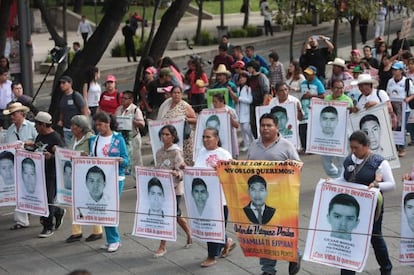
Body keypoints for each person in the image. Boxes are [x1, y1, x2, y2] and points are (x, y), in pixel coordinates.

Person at [247, 113, 301, 275]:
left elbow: (298, 167)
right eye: (262, 125)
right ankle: (268, 270)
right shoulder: (253, 146)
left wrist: (289, 166)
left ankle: (294, 255)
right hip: (259, 199)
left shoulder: (286, 146)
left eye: (269, 125)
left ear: (277, 127)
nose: (265, 128)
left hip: (282, 198)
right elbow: (245, 170)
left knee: (283, 232)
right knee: (263, 235)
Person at [338, 130, 394, 275]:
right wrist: (330, 183)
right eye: (351, 147)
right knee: (350, 239)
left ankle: (386, 269)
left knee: (375, 238)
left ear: (366, 146)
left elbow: (391, 184)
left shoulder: (379, 162)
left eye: (356, 147)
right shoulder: (349, 160)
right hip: (352, 208)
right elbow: (343, 179)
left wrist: (377, 186)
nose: (353, 151)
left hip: (372, 208)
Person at [194, 127, 235, 267]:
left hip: (221, 198)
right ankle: (226, 242)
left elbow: (231, 174)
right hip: (205, 198)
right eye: (204, 137)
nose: (205, 140)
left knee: (216, 226)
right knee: (210, 227)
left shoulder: (224, 154)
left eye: (208, 137)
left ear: (216, 138)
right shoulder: (201, 152)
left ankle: (212, 256)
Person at [89, 112, 128, 252]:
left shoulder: (118, 139)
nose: (98, 127)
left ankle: (114, 239)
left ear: (107, 123)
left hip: (116, 178)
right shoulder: (94, 140)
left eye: (100, 124)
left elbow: (126, 159)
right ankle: (111, 238)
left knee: (108, 208)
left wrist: (121, 161)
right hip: (100, 179)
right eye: (96, 125)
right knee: (103, 209)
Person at [153, 125, 192, 257]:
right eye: (162, 134)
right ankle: (189, 233)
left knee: (167, 216)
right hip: (161, 190)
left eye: (167, 134)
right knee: (176, 215)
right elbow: (157, 168)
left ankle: (162, 246)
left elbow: (181, 169)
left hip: (174, 189)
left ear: (173, 136)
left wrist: (177, 174)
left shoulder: (176, 152)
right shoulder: (158, 152)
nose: (164, 137)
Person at [65, 115, 103, 243]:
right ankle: (76, 231)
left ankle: (97, 231)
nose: (71, 128)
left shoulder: (91, 139)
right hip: (74, 175)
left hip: (86, 175)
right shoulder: (73, 139)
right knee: (72, 204)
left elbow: (96, 156)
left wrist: (86, 156)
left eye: (74, 126)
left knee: (90, 203)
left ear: (81, 128)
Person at [3, 102, 37, 230]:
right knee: (17, 191)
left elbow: (40, 143)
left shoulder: (32, 127)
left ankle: (53, 212)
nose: (12, 117)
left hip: (31, 164)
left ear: (22, 114)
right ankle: (21, 220)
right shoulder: (10, 131)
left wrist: (29, 144)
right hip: (16, 165)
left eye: (14, 114)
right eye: (11, 114)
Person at [33, 111, 66, 238]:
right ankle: (58, 211)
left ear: (43, 125)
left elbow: (62, 155)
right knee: (43, 199)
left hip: (52, 174)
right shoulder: (39, 136)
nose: (35, 127)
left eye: (37, 124)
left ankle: (48, 226)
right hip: (40, 172)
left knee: (47, 199)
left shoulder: (55, 138)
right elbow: (37, 148)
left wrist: (51, 157)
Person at [321, 80, 353, 178]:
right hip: (328, 134)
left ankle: (341, 179)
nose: (339, 90)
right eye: (336, 88)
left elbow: (352, 114)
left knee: (342, 159)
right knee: (325, 158)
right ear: (331, 89)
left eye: (341, 88)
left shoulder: (347, 100)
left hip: (342, 133)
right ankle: (335, 175)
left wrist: (350, 110)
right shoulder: (327, 98)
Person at [157, 86, 197, 166]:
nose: (176, 95)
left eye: (178, 93)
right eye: (174, 93)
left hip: (184, 140)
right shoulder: (166, 105)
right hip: (169, 141)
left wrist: (185, 120)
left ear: (181, 94)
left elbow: (195, 120)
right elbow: (160, 120)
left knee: (185, 163)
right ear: (171, 94)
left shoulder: (185, 106)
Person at [386, 61, 414, 157]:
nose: (394, 71)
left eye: (396, 70)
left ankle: (401, 148)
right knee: (393, 127)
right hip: (392, 108)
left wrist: (408, 99)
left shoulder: (407, 81)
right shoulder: (390, 81)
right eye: (393, 69)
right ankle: (394, 148)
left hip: (403, 109)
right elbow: (387, 94)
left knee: (401, 128)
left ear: (401, 71)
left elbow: (412, 94)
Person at [115, 90, 145, 174]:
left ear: (131, 100)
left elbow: (142, 124)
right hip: (121, 138)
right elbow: (114, 121)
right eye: (122, 98)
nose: (123, 100)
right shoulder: (118, 109)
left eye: (125, 98)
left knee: (136, 160)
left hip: (133, 138)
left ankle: (139, 180)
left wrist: (133, 122)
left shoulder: (135, 110)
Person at [299, 66, 325, 153]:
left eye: (309, 74)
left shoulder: (318, 83)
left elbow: (323, 96)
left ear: (314, 74)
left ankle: (312, 147)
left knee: (311, 130)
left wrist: (311, 96)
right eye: (306, 74)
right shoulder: (303, 83)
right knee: (302, 129)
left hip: (314, 110)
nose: (307, 76)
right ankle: (304, 146)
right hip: (304, 109)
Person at [57, 75, 89, 145]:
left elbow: (84, 109)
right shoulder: (62, 97)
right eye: (60, 83)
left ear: (70, 84)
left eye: (64, 83)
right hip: (66, 128)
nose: (61, 85)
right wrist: (61, 120)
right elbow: (61, 110)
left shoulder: (76, 95)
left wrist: (86, 124)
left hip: (77, 128)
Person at [246, 60, 270, 138]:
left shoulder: (261, 77)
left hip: (260, 103)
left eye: (249, 67)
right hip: (253, 104)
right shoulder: (250, 78)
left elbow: (266, 91)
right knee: (253, 124)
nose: (248, 69)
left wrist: (263, 103)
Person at [234, 71, 254, 151]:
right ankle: (246, 145)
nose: (242, 79)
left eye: (243, 77)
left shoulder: (248, 88)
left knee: (247, 128)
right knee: (242, 130)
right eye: (240, 78)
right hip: (239, 111)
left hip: (246, 111)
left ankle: (253, 143)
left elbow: (250, 100)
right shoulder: (238, 89)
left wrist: (240, 99)